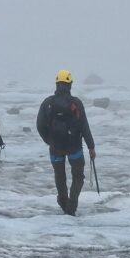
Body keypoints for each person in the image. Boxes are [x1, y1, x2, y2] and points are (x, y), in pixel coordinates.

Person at [36, 70, 96, 215]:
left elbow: (39, 125)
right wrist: (91, 147)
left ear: (57, 84)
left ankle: (63, 202)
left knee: (59, 175)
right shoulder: (76, 103)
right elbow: (84, 126)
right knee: (78, 176)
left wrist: (49, 140)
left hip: (55, 148)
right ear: (69, 84)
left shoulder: (47, 103)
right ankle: (72, 203)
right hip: (74, 147)